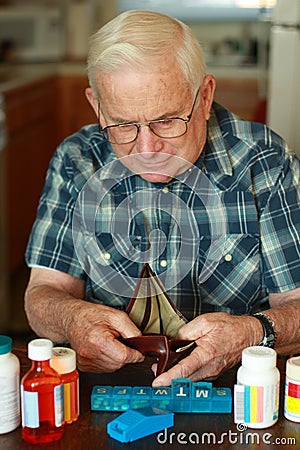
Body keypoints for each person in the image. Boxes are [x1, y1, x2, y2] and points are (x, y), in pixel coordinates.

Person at [24, 10, 300, 387]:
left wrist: (252, 333)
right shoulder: (78, 160)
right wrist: (73, 319)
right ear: (97, 106)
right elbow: (42, 294)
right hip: (113, 393)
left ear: (204, 97)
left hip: (242, 392)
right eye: (123, 125)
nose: (147, 147)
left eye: (167, 120)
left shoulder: (263, 162)